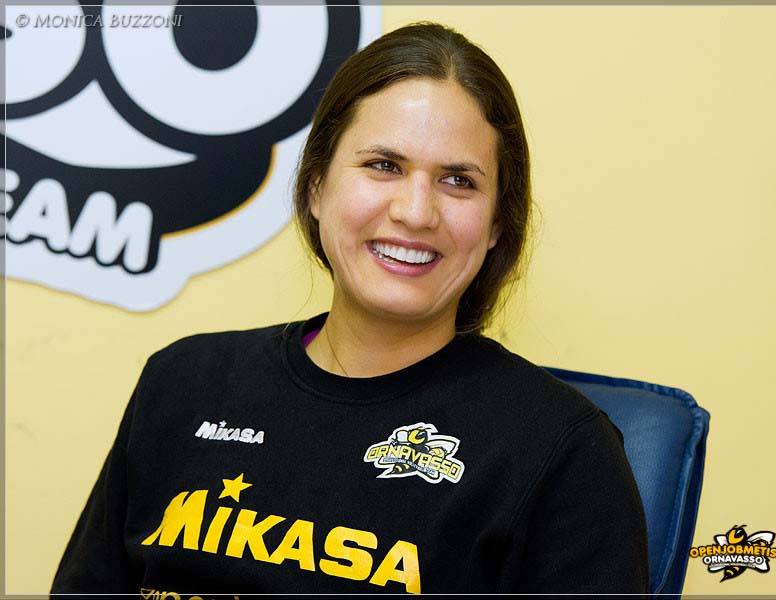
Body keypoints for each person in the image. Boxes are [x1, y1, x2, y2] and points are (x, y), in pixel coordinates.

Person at [51, 22, 649, 596]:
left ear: (496, 225)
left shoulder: (563, 449)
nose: (416, 212)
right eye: (384, 166)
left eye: (458, 181)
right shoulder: (182, 382)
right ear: (316, 186)